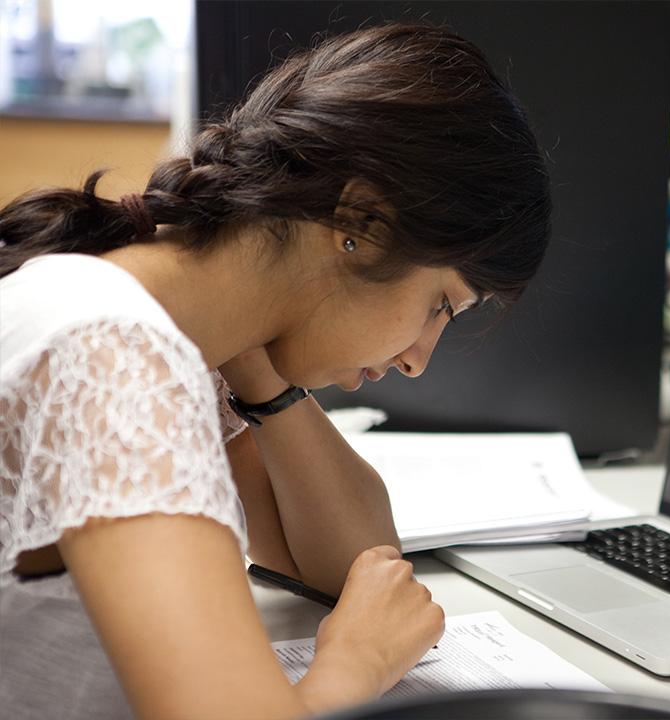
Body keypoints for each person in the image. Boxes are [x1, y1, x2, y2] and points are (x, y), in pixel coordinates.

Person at [0, 22, 551, 719]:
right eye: (440, 304)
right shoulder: (115, 360)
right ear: (361, 222)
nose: (417, 359)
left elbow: (357, 565)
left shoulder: (169, 329)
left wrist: (256, 363)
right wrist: (359, 663)